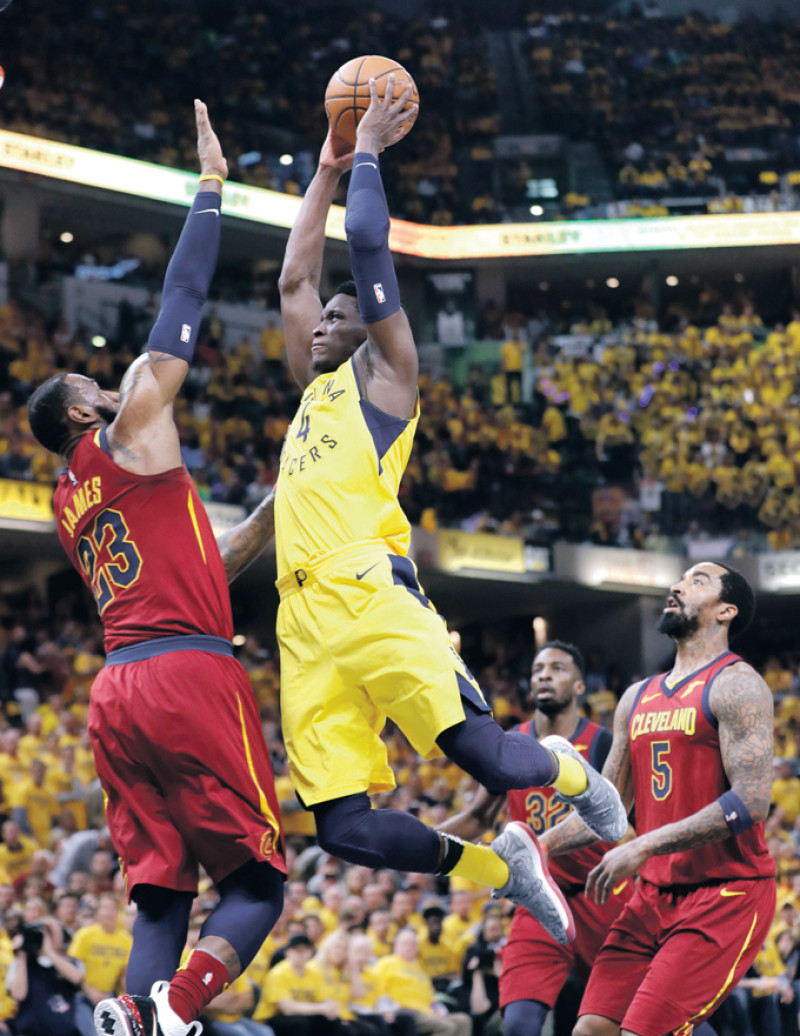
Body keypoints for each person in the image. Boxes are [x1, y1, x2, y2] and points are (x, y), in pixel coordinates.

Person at [275, 76, 627, 946]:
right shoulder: (311, 388)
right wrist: (323, 168)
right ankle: (499, 866)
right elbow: (291, 278)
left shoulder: (390, 381)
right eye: (319, 316)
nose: (320, 321)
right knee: (342, 829)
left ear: (372, 327)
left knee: (486, 756)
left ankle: (582, 780)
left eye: (337, 313)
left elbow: (364, 246)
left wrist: (365, 157)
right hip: (302, 618)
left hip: (372, 590)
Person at [25, 102, 286, 1036]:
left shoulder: (68, 502)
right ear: (87, 417)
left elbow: (200, 567)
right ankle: (179, 1006)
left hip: (121, 689)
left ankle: (135, 1012)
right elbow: (182, 303)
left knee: (161, 893)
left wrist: (275, 510)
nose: (113, 377)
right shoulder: (130, 423)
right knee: (259, 879)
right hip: (186, 676)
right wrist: (210, 185)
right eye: (94, 385)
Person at [540, 562, 776, 1036]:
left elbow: (750, 801)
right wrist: (532, 848)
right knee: (589, 1030)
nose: (677, 586)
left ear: (726, 610)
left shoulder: (738, 685)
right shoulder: (635, 697)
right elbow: (605, 812)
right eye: (681, 579)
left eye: (697, 581)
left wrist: (645, 844)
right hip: (652, 897)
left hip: (725, 893)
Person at [440, 641, 634, 1036]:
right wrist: (421, 841)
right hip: (538, 896)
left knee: (651, 1018)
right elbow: (479, 816)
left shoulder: (601, 743)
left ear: (580, 686)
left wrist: (542, 844)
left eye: (558, 668)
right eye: (538, 669)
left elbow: (626, 827)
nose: (544, 674)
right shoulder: (510, 743)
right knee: (518, 1024)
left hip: (603, 895)